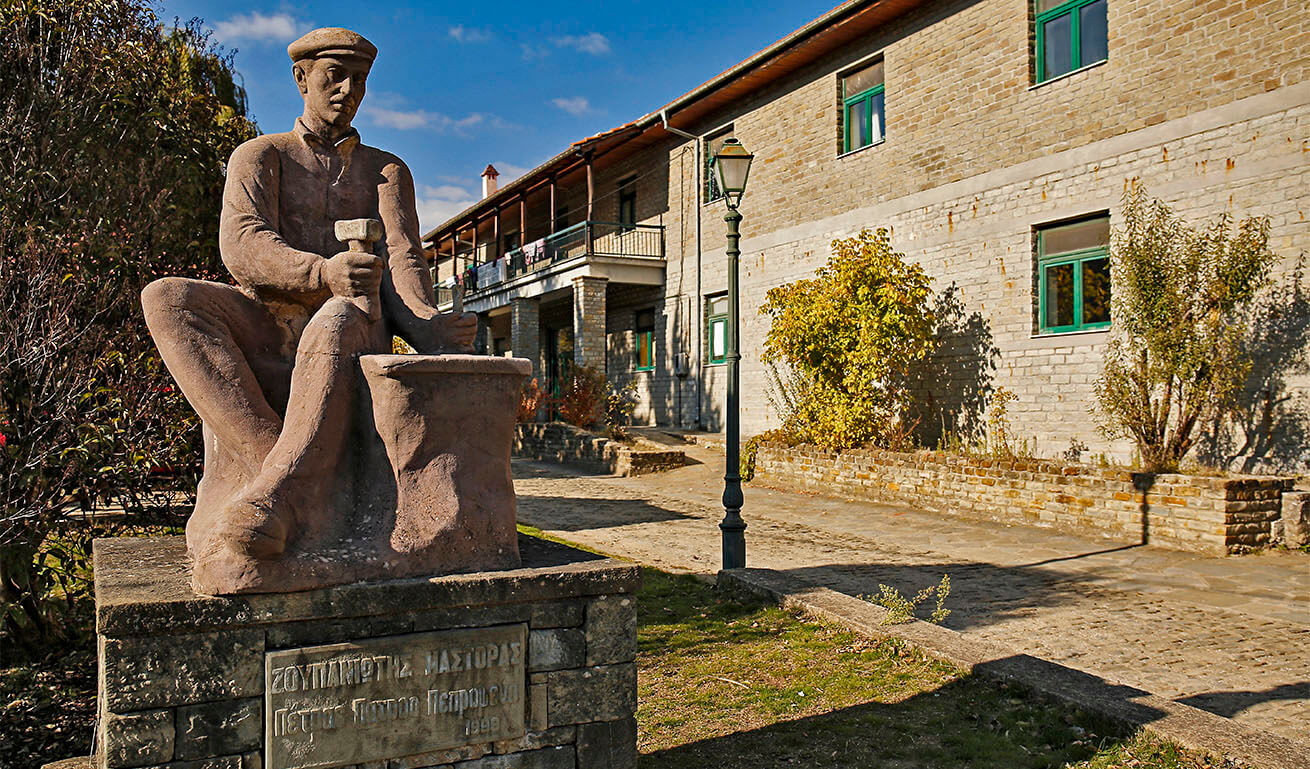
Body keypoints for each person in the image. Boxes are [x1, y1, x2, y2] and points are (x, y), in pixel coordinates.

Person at [142, 28, 475, 576]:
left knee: (339, 313)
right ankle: (275, 472)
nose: (349, 90)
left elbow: (404, 260)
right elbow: (242, 243)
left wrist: (431, 326)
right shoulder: (261, 156)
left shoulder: (386, 171)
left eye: (360, 80)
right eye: (335, 76)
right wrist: (322, 272)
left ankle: (275, 497)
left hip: (353, 324)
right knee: (167, 298)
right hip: (270, 320)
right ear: (301, 78)